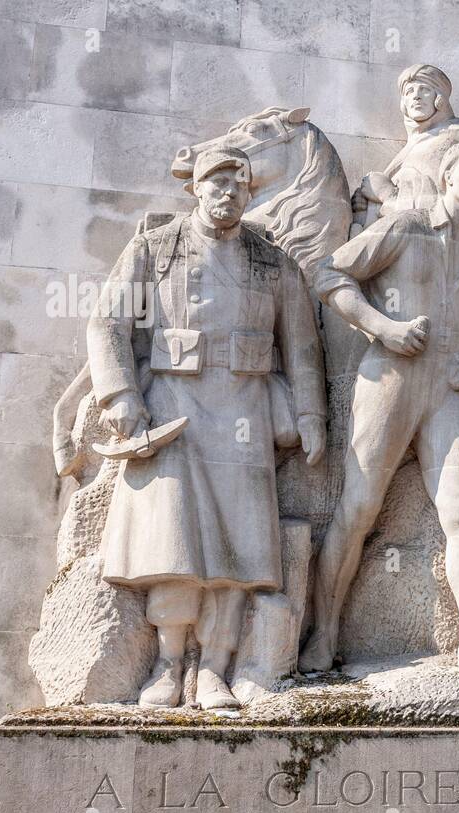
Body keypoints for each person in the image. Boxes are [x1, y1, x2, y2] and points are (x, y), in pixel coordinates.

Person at [86, 145, 328, 708]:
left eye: (238, 186)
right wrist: (121, 395)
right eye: (216, 183)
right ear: (195, 188)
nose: (227, 194)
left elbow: (303, 348)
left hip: (244, 411)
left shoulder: (274, 263)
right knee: (172, 542)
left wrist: (312, 414)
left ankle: (216, 668)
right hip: (173, 409)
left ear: (250, 194)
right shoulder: (154, 248)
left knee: (238, 550)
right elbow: (108, 321)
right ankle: (168, 665)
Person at [301, 143, 459, 670]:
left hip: (452, 385)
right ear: (447, 176)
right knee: (359, 506)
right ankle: (324, 632)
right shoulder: (405, 226)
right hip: (393, 376)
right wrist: (383, 326)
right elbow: (330, 275)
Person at [351, 63, 459, 233]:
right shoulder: (410, 147)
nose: (416, 97)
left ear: (439, 98)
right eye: (409, 92)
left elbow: (457, 205)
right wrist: (365, 206)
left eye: (424, 89)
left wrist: (387, 195)